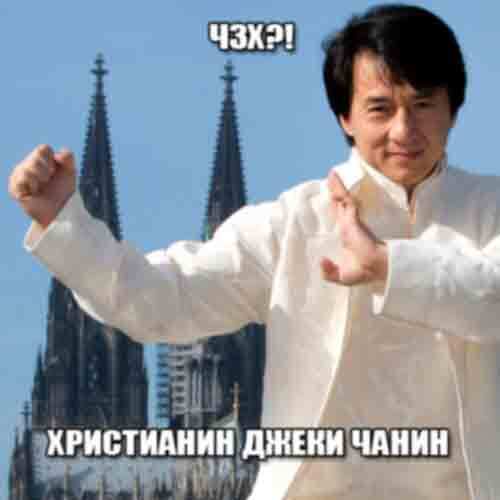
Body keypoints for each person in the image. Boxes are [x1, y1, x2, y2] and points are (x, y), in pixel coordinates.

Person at [8, 4, 500, 499]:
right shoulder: (294, 224)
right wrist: (63, 222)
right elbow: (158, 298)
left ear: (453, 109)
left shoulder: (492, 211)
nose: (404, 130)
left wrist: (385, 266)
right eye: (381, 108)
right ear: (345, 117)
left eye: (422, 104)